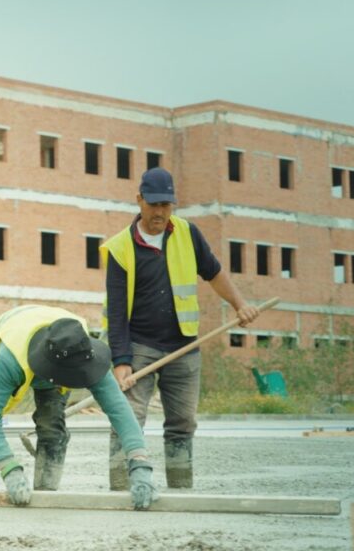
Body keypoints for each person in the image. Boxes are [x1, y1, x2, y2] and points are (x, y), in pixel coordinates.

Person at [102, 167, 261, 490]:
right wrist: (121, 361)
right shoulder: (120, 248)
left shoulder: (188, 234)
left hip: (184, 346)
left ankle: (180, 487)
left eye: (166, 205)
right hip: (140, 346)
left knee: (183, 422)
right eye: (154, 204)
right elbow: (116, 312)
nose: (160, 212)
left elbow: (214, 273)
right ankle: (120, 487)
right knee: (127, 419)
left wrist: (239, 304)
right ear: (139, 200)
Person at [0, 305, 158, 510]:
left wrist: (139, 462)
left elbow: (119, 410)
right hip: (13, 335)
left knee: (52, 426)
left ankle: (45, 497)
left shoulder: (81, 352)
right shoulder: (10, 359)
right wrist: (9, 468)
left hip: (58, 350)